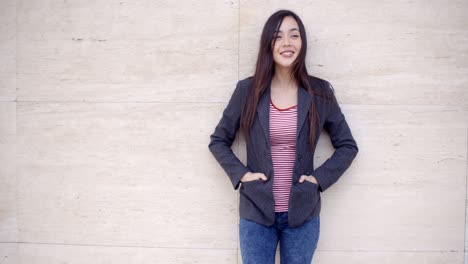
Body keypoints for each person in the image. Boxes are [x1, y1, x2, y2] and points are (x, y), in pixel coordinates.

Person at [208, 9, 358, 264]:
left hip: (303, 211)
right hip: (256, 209)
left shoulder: (320, 92)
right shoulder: (247, 90)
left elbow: (347, 145)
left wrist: (317, 180)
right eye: (278, 37)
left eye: (294, 35)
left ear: (303, 42)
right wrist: (243, 175)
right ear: (268, 43)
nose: (287, 43)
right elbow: (218, 140)